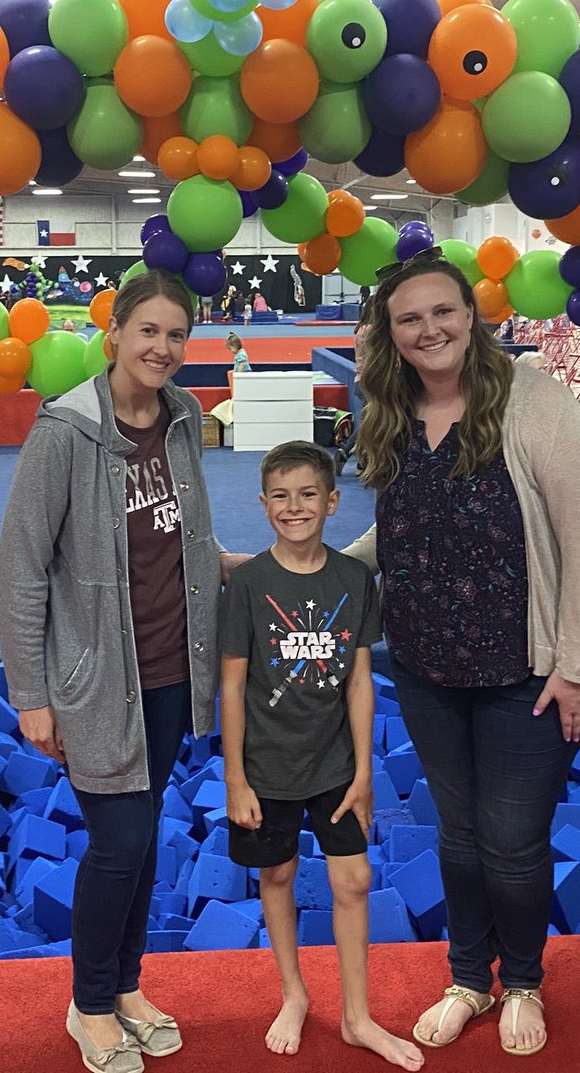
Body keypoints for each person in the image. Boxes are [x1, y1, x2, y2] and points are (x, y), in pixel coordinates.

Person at [344, 249, 580, 1058]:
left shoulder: (535, 404)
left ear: (471, 315)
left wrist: (573, 666)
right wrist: (302, 568)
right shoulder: (389, 411)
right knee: (457, 837)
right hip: (428, 665)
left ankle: (523, 981)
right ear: (391, 335)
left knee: (512, 839)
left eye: (442, 311)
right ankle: (469, 977)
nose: (430, 329)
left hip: (527, 671)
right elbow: (393, 534)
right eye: (409, 319)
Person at [0, 270, 243, 1073]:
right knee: (121, 839)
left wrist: (268, 565)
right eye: (149, 332)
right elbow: (21, 572)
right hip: (99, 679)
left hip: (175, 671)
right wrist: (31, 695)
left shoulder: (182, 418)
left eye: (177, 335)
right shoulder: (64, 433)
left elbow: (187, 540)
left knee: (139, 843)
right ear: (114, 335)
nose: (163, 349)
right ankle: (90, 1004)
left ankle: (126, 987)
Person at [220, 441, 424, 1071]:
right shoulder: (249, 584)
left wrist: (365, 771)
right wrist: (235, 778)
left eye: (308, 494)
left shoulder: (354, 580)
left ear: (333, 502)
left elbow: (361, 680)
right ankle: (294, 992)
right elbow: (231, 685)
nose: (294, 507)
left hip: (335, 765)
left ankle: (357, 1015)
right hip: (267, 768)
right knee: (276, 874)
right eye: (280, 496)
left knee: (354, 880)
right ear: (263, 504)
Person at [335, 303, 371, 476]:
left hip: (361, 379)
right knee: (372, 421)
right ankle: (346, 450)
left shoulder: (361, 329)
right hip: (371, 381)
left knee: (370, 421)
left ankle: (362, 463)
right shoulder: (373, 330)